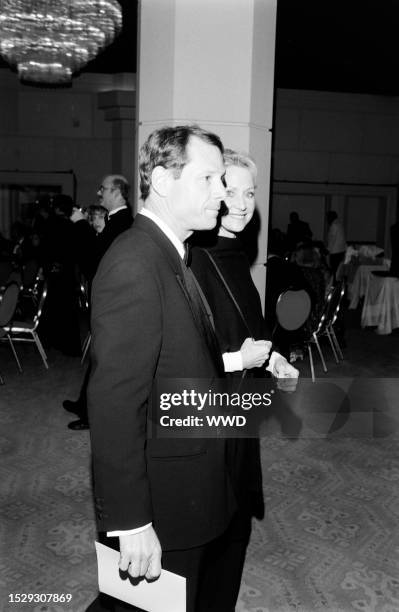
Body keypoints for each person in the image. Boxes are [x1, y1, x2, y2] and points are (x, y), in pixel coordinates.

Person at [86, 126, 271, 612]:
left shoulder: (172, 254)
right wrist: (130, 522)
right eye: (209, 179)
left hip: (191, 485)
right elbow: (114, 403)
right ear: (164, 182)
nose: (223, 194)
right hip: (163, 503)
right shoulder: (136, 260)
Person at [188, 150, 299, 608]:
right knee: (208, 542)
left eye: (249, 192)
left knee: (232, 535)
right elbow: (180, 355)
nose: (240, 202)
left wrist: (269, 358)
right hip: (206, 424)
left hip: (237, 415)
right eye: (229, 190)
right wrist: (236, 360)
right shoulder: (195, 257)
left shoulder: (232, 254)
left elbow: (242, 330)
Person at [63, 176, 133, 431]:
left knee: (104, 362)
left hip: (114, 303)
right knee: (98, 357)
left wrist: (82, 225)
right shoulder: (117, 221)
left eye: (102, 188)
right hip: (110, 301)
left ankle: (93, 415)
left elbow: (93, 260)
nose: (99, 192)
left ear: (116, 192)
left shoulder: (123, 221)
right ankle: (84, 404)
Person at [326, 210, 346, 279]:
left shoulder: (334, 225)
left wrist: (328, 250)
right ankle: (336, 284)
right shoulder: (340, 224)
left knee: (334, 270)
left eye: (328, 217)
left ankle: (333, 285)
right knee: (338, 270)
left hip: (335, 251)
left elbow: (332, 239)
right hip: (341, 250)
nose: (327, 219)